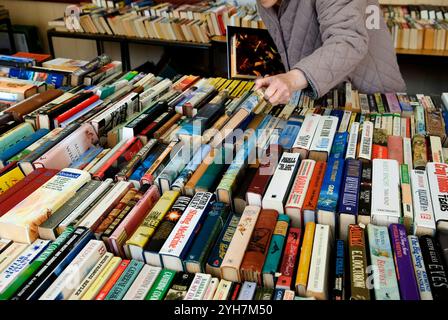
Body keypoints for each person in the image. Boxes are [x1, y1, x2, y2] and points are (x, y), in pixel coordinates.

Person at [254, 0, 406, 106]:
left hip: (369, 99)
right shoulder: (266, 3)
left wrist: (291, 79)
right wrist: (284, 82)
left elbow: (348, 42)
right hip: (325, 99)